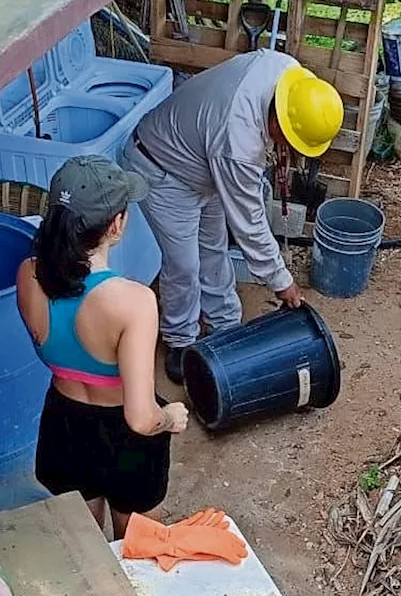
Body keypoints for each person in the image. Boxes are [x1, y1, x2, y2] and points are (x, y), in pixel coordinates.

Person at [123, 50, 343, 383]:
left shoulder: (287, 73)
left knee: (213, 245)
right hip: (162, 167)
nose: (290, 149)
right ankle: (180, 340)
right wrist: (282, 282)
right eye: (289, 141)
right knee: (183, 264)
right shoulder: (237, 142)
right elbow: (250, 224)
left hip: (202, 160)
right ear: (278, 120)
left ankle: (224, 324)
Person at [17, 156, 190, 539]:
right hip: (125, 440)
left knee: (87, 547)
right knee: (137, 545)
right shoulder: (133, 302)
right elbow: (141, 419)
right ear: (116, 225)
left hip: (63, 424)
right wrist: (171, 416)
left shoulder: (28, 274)